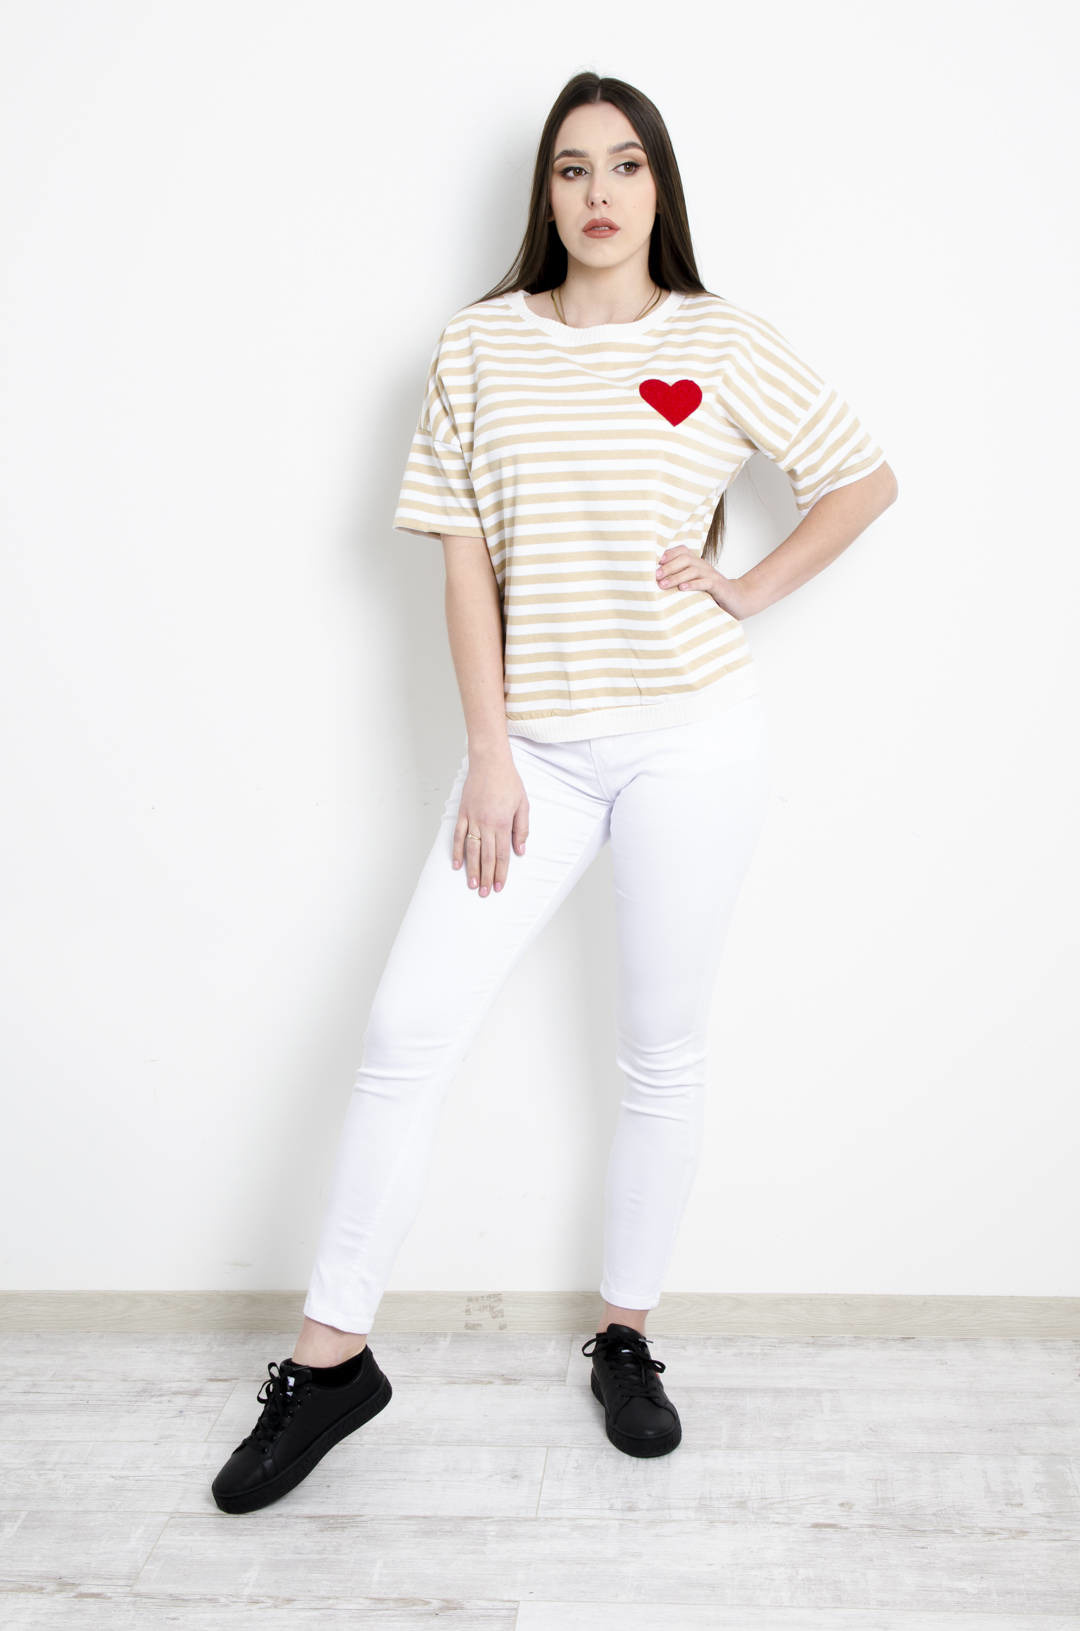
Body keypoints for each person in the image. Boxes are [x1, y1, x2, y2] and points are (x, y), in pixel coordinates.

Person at [212, 70, 898, 1514]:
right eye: (574, 167)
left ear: (660, 188)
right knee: (405, 1031)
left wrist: (748, 587)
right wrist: (491, 751)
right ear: (546, 192)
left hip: (693, 739)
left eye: (627, 166)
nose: (600, 193)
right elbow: (462, 557)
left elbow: (859, 478)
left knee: (660, 1050)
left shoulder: (720, 340)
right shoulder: (477, 346)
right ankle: (331, 1364)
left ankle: (625, 1340)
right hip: (535, 753)